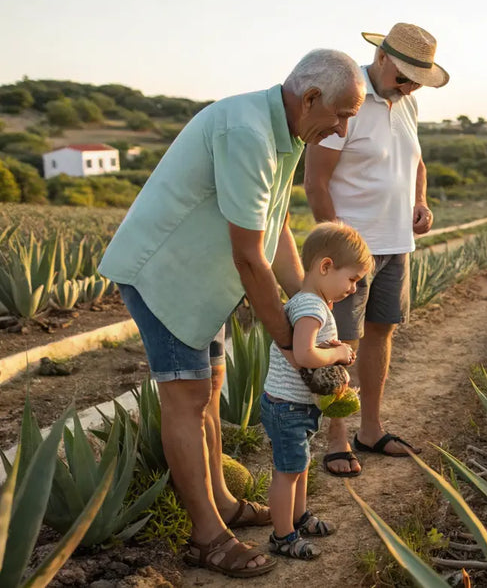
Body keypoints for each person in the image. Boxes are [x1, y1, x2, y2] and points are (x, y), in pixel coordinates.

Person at [98, 49, 364, 577]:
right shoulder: (247, 133)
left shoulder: (284, 133)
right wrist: (292, 343)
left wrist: (304, 301)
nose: (341, 129)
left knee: (211, 390)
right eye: (341, 114)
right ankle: (205, 537)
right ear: (310, 98)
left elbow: (276, 226)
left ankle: (222, 502)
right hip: (166, 276)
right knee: (188, 399)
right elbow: (248, 255)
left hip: (205, 282)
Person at [303, 22, 450, 477]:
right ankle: (336, 439)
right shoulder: (346, 100)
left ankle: (370, 428)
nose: (408, 86)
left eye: (416, 81)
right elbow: (315, 181)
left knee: (381, 334)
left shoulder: (408, 105)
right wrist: (338, 244)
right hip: (352, 252)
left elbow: (417, 163)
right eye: (403, 76)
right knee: (342, 341)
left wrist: (420, 201)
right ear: (382, 57)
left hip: (396, 244)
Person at [260, 222, 372, 560]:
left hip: (296, 406)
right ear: (325, 267)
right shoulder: (310, 306)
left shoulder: (312, 302)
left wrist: (332, 347)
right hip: (287, 408)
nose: (353, 288)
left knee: (300, 465)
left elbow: (309, 350)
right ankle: (282, 536)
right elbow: (306, 354)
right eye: (351, 279)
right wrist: (337, 353)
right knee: (288, 471)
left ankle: (299, 517)